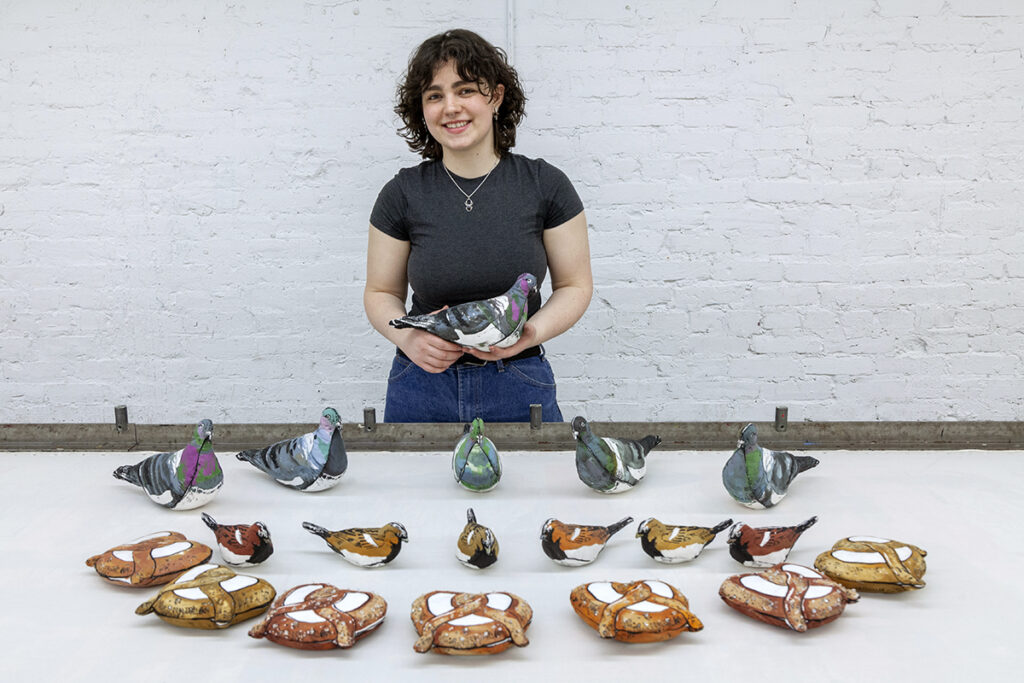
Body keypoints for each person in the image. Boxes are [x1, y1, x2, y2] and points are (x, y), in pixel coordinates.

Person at [364, 29, 592, 423]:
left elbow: (575, 286)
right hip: (421, 385)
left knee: (535, 487)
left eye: (465, 90)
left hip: (519, 382)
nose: (450, 106)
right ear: (423, 109)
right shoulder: (401, 193)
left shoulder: (545, 185)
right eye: (435, 95)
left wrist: (530, 333)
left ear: (497, 97)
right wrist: (409, 338)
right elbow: (380, 292)